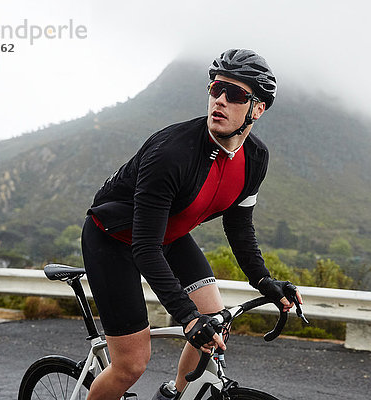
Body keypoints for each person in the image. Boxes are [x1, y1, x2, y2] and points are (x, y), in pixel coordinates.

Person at [81, 49, 302, 400]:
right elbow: (145, 248)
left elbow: (240, 227)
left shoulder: (255, 158)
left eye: (236, 95)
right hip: (114, 240)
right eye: (216, 89)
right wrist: (187, 317)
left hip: (169, 235)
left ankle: (179, 395)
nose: (221, 100)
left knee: (216, 324)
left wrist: (263, 280)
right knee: (131, 365)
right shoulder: (171, 153)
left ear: (257, 108)